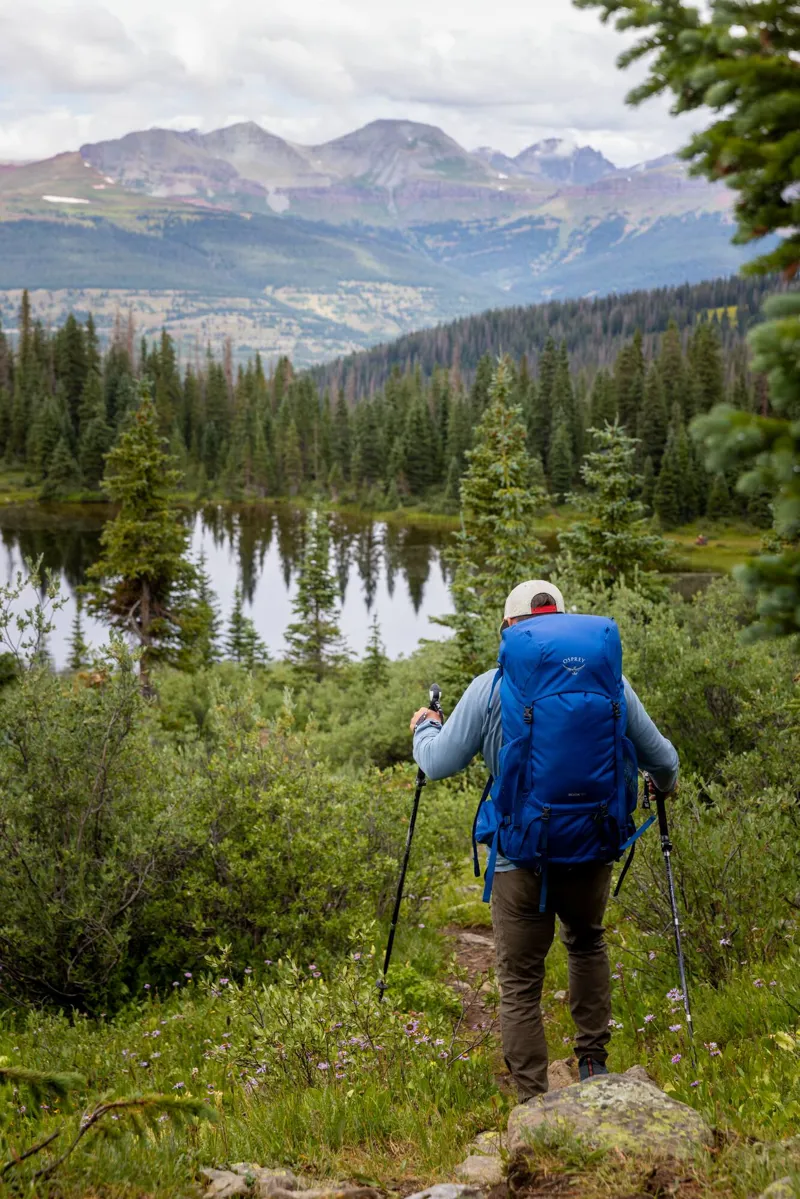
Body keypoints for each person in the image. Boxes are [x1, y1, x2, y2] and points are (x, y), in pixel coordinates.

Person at [409, 579, 679, 1101]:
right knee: (586, 943)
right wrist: (660, 788)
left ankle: (533, 1102)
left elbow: (438, 763)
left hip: (520, 858)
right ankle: (594, 1072)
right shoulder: (611, 684)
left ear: (509, 630)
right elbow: (664, 762)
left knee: (520, 984)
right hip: (592, 847)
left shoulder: (491, 687)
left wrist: (425, 728)